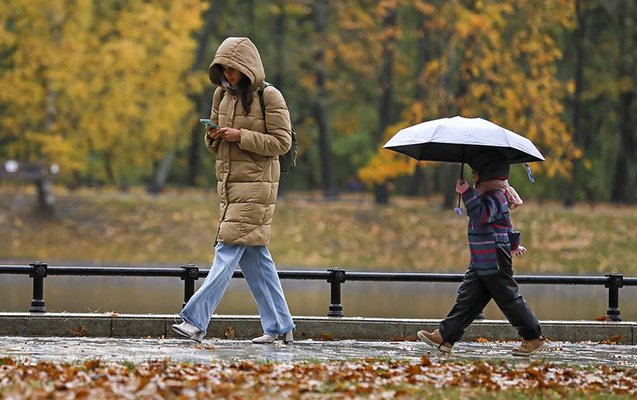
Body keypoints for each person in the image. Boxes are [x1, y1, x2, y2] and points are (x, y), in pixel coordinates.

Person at [172, 37, 295, 344]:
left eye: (233, 69)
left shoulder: (270, 96)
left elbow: (282, 143)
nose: (229, 75)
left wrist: (241, 135)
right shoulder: (221, 95)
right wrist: (213, 135)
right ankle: (280, 327)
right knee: (255, 257)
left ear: (247, 67)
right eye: (224, 69)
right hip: (230, 186)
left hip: (257, 187)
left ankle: (194, 320)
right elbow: (214, 147)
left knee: (226, 251)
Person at [418, 152, 546, 356]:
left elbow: (482, 215)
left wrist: (466, 193)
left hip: (493, 257)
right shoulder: (491, 195)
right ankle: (446, 336)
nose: (472, 177)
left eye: (475, 174)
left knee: (508, 298)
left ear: (486, 175)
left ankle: (533, 336)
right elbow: (506, 225)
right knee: (468, 299)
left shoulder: (495, 196)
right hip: (481, 257)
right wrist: (513, 244)